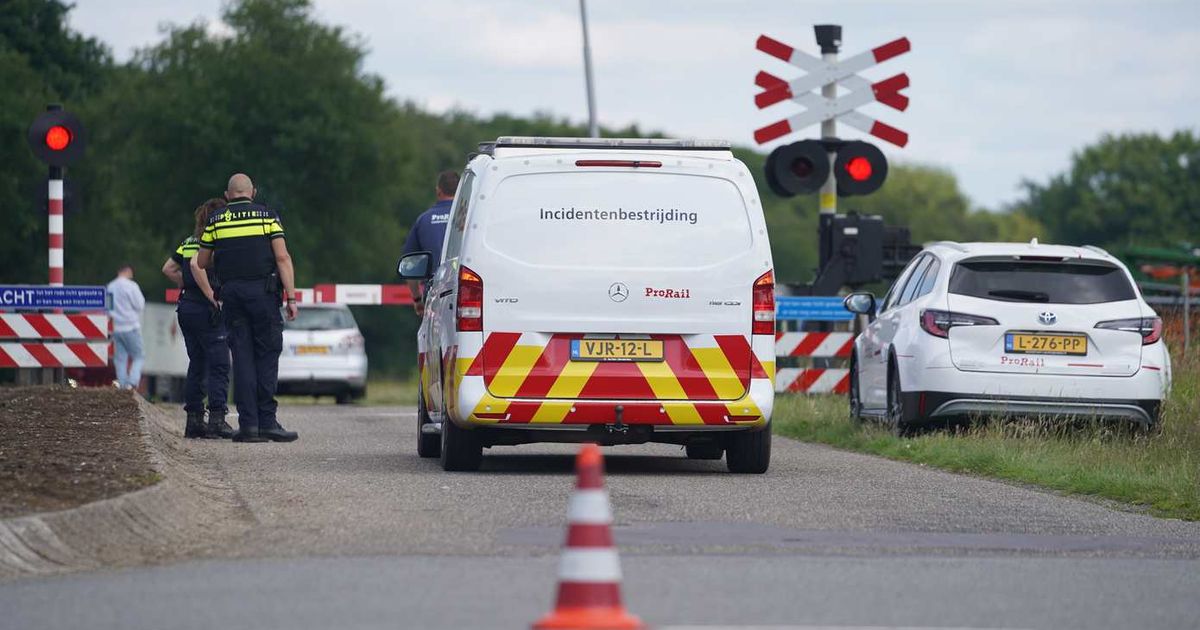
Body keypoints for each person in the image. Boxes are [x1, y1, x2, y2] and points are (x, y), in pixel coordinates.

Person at [195, 173, 299, 443]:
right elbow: (282, 257)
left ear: (228, 195)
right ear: (252, 192)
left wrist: (229, 254)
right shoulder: (267, 217)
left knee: (242, 358)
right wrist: (291, 297)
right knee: (266, 356)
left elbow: (203, 261)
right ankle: (268, 422)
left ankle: (248, 426)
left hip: (232, 296)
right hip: (263, 296)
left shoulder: (216, 221)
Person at [162, 198, 233, 439]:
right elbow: (196, 266)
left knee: (197, 363)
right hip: (208, 310)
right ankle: (216, 419)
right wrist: (212, 295)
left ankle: (193, 421)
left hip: (187, 308)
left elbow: (168, 269)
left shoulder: (188, 242)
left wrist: (185, 284)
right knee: (220, 364)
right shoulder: (213, 242)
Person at [402, 170, 458, 317]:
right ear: (460, 191)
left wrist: (417, 299)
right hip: (466, 291)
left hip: (435, 295)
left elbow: (410, 264)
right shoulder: (469, 216)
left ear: (438, 190)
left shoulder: (424, 220)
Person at [106, 264, 146, 390]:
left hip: (116, 327)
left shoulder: (110, 286)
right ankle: (132, 382)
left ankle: (123, 386)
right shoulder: (131, 286)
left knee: (120, 359)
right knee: (138, 356)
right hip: (131, 326)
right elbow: (140, 305)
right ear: (128, 272)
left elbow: (107, 308)